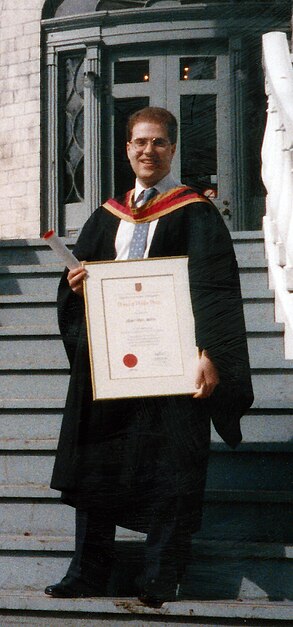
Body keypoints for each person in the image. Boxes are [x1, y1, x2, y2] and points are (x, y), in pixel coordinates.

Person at [45, 107, 253, 606]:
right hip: (115, 363)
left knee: (171, 466)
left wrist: (211, 354)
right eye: (140, 142)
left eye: (159, 142)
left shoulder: (195, 212)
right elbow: (82, 282)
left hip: (173, 362)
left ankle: (162, 574)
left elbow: (216, 289)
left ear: (173, 149)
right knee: (96, 461)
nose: (148, 151)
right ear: (127, 149)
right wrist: (75, 285)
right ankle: (88, 570)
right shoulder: (107, 214)